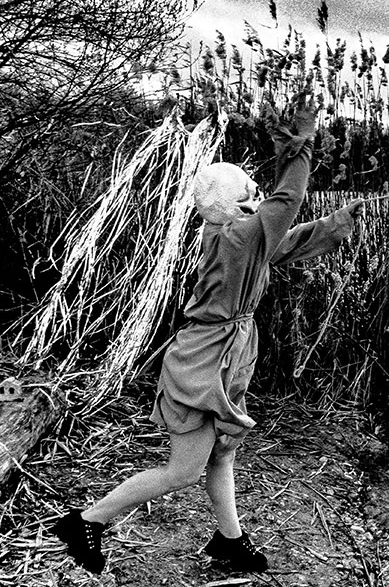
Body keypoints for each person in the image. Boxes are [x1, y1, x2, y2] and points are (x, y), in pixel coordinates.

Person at [51, 95, 363, 574]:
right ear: (235, 205)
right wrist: (303, 138)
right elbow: (287, 201)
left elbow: (283, 239)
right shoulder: (236, 238)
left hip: (223, 354)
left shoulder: (236, 238)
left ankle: (229, 540)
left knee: (221, 452)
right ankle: (86, 521)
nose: (258, 193)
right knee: (183, 470)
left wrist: (335, 224)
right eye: (249, 189)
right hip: (205, 360)